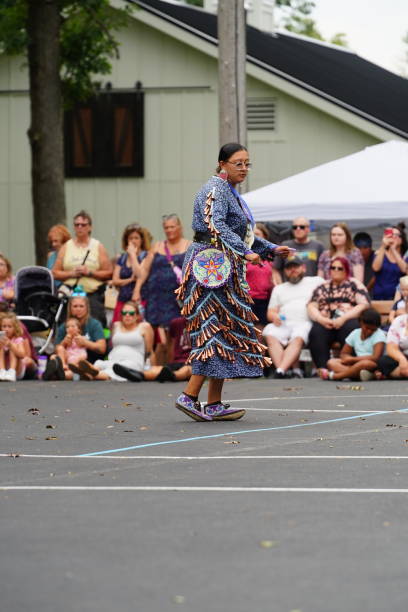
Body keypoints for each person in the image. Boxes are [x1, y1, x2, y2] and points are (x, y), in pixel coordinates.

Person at [174, 142, 291, 422]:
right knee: (212, 330)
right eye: (238, 163)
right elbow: (217, 226)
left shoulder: (231, 193)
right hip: (209, 267)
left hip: (223, 268)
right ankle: (189, 396)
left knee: (224, 330)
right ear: (222, 163)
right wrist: (245, 251)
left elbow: (244, 233)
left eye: (247, 163)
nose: (244, 169)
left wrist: (270, 248)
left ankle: (214, 403)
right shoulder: (214, 190)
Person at [133, 214, 191, 362]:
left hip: (177, 297)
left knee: (174, 331)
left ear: (179, 227)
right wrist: (137, 289)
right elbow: (145, 269)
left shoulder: (189, 245)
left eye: (172, 226)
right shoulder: (157, 246)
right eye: (166, 227)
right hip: (156, 296)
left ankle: (173, 363)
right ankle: (155, 366)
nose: (169, 230)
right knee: (157, 333)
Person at [262, 257, 323, 378]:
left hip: (305, 322)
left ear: (303, 268)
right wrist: (274, 317)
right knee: (269, 333)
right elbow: (270, 312)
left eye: (296, 267)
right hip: (284, 323)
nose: (293, 270)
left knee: (298, 337)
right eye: (289, 268)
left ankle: (281, 371)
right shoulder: (279, 289)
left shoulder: (316, 281)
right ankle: (282, 370)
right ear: (284, 271)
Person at [307, 256, 370, 370]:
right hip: (326, 321)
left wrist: (343, 318)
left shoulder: (354, 284)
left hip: (347, 320)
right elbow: (311, 305)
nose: (335, 270)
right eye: (333, 267)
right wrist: (321, 319)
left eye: (339, 268)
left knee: (351, 328)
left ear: (346, 270)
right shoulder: (323, 286)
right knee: (316, 331)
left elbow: (364, 305)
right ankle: (323, 368)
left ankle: (351, 367)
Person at [52, 210, 112, 325]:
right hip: (71, 294)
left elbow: (109, 273)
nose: (80, 227)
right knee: (67, 326)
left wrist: (89, 272)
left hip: (92, 295)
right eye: (76, 225)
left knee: (96, 325)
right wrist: (71, 274)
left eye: (83, 225)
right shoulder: (66, 246)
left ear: (90, 227)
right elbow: (54, 273)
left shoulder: (98, 246)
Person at [69, 301, 154, 381]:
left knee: (118, 369)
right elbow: (113, 346)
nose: (127, 315)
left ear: (137, 316)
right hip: (114, 359)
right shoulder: (116, 325)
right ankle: (88, 373)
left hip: (133, 361)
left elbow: (149, 351)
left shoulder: (144, 327)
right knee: (100, 364)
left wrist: (151, 368)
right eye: (124, 313)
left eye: (131, 313)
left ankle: (89, 374)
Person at [112, 315, 193, 383]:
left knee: (187, 370)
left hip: (193, 361)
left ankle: (173, 376)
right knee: (158, 369)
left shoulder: (202, 322)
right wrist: (170, 361)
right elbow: (170, 345)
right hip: (178, 360)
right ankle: (139, 374)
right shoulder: (176, 322)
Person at [43, 295, 106, 380]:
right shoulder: (65, 325)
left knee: (74, 369)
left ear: (87, 308)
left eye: (81, 306)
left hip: (86, 360)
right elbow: (57, 348)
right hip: (67, 359)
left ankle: (56, 375)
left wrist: (86, 343)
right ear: (70, 308)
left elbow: (102, 348)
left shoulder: (94, 324)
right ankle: (60, 371)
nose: (78, 309)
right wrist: (64, 342)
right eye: (75, 306)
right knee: (54, 357)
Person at [318, 308, 386, 381]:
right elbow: (344, 354)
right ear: (361, 323)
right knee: (331, 362)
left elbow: (376, 358)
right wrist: (347, 359)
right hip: (356, 364)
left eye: (373, 330)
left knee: (365, 363)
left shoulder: (379, 334)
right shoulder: (355, 333)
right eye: (367, 328)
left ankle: (336, 376)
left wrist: (352, 359)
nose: (369, 331)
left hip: (371, 364)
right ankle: (360, 375)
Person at [111, 224, 151, 324]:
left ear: (142, 240)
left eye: (136, 238)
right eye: (130, 238)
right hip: (123, 300)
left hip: (139, 300)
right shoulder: (122, 258)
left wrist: (133, 255)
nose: (133, 241)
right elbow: (115, 280)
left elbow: (140, 274)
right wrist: (129, 280)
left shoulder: (145, 256)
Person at [246, 223, 280, 329]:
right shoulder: (246, 254)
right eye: (252, 234)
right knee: (250, 329)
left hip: (265, 299)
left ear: (264, 237)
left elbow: (275, 276)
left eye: (257, 234)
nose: (254, 237)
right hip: (248, 299)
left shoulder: (270, 256)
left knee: (263, 329)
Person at [372, 225, 408, 300]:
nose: (392, 237)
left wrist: (393, 249)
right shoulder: (380, 253)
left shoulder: (405, 257)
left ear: (401, 239)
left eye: (396, 235)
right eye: (390, 235)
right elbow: (376, 268)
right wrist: (383, 245)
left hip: (399, 297)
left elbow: (404, 270)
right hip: (379, 296)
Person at [377, 301, 408, 379]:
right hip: (404, 356)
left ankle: (398, 374)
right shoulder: (398, 321)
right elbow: (391, 347)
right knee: (384, 361)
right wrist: (402, 360)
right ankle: (402, 373)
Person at [0, 312, 29, 381]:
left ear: (15, 328)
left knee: (13, 347)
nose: (6, 329)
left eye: (9, 327)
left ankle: (11, 371)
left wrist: (10, 345)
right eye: (4, 326)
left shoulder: (18, 339)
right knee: (1, 348)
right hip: (4, 370)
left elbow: (22, 355)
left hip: (17, 370)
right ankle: (2, 371)